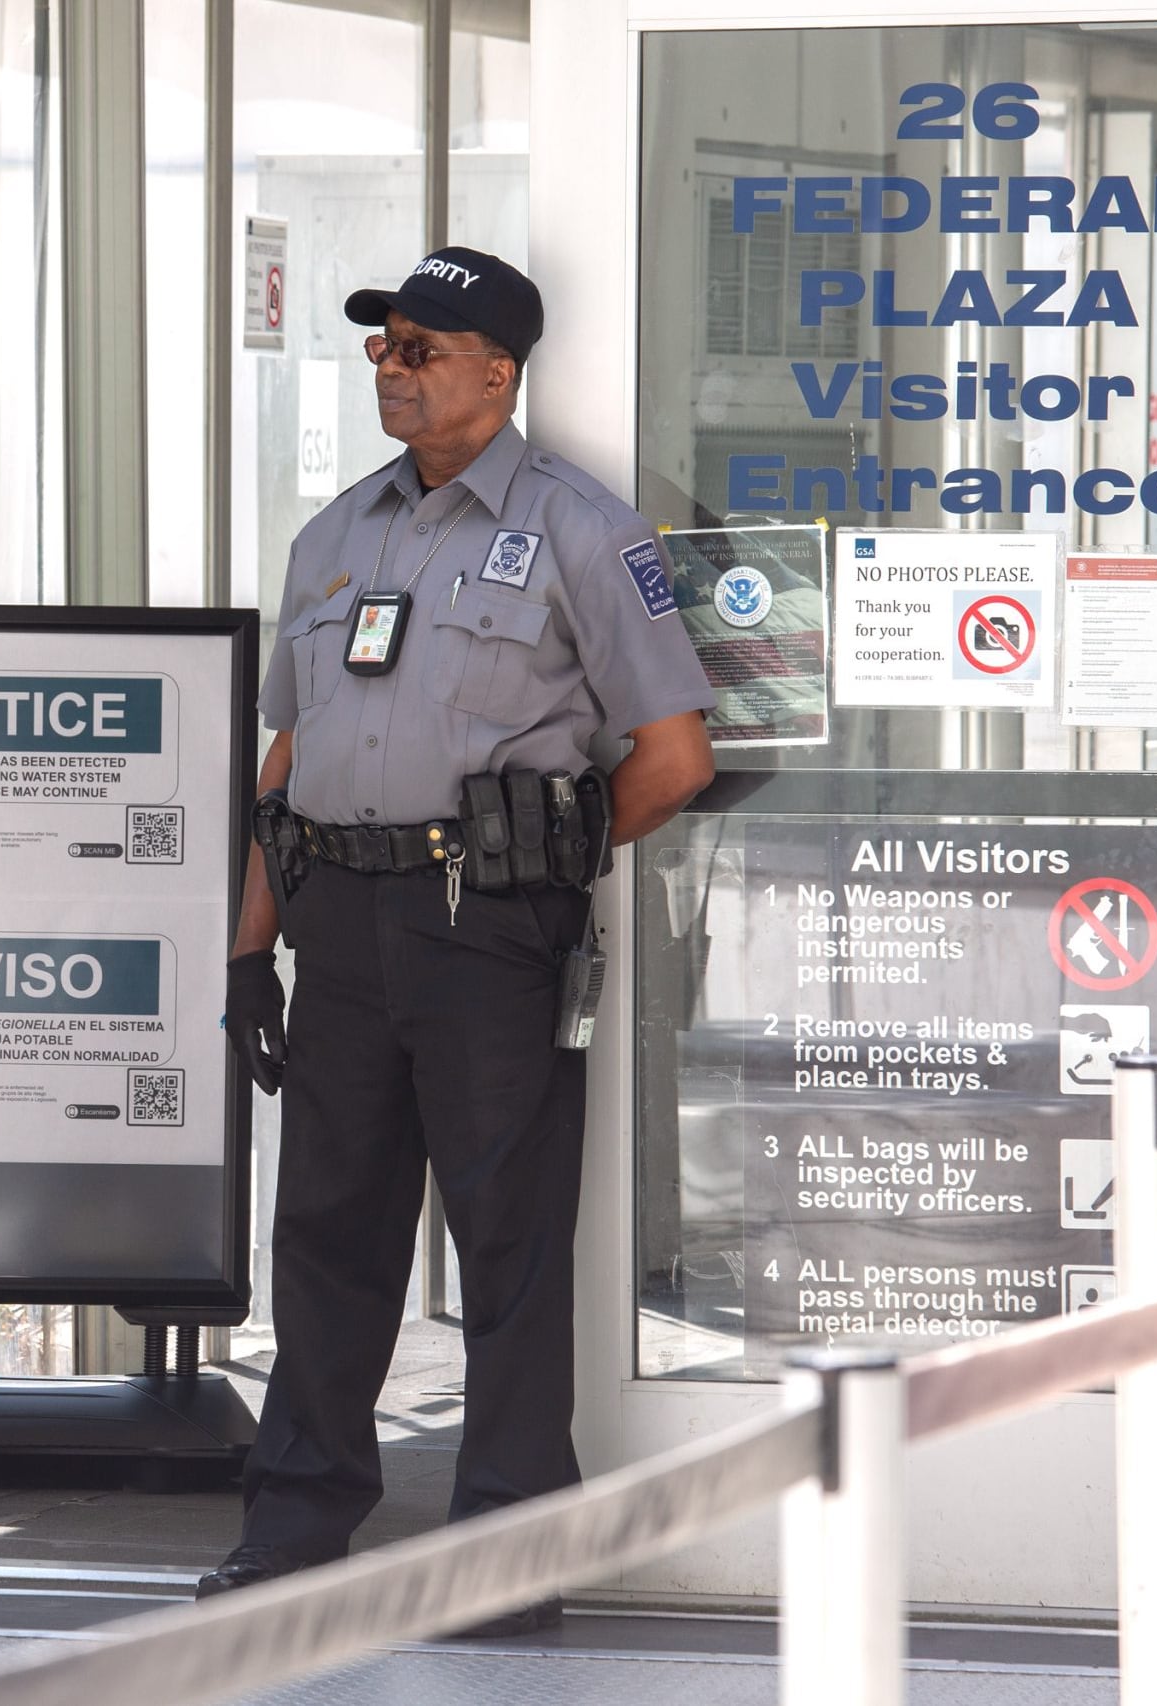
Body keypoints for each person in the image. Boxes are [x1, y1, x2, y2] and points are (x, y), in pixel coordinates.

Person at [202, 246, 718, 1635]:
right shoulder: (337, 537)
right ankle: (296, 1523)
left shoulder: (578, 531)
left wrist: (537, 865)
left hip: (486, 933)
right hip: (343, 928)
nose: (393, 366)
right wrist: (250, 947)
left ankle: (503, 1555)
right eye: (382, 346)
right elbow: (288, 750)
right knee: (325, 1233)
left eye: (422, 348)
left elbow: (672, 755)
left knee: (508, 1243)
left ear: (499, 370)